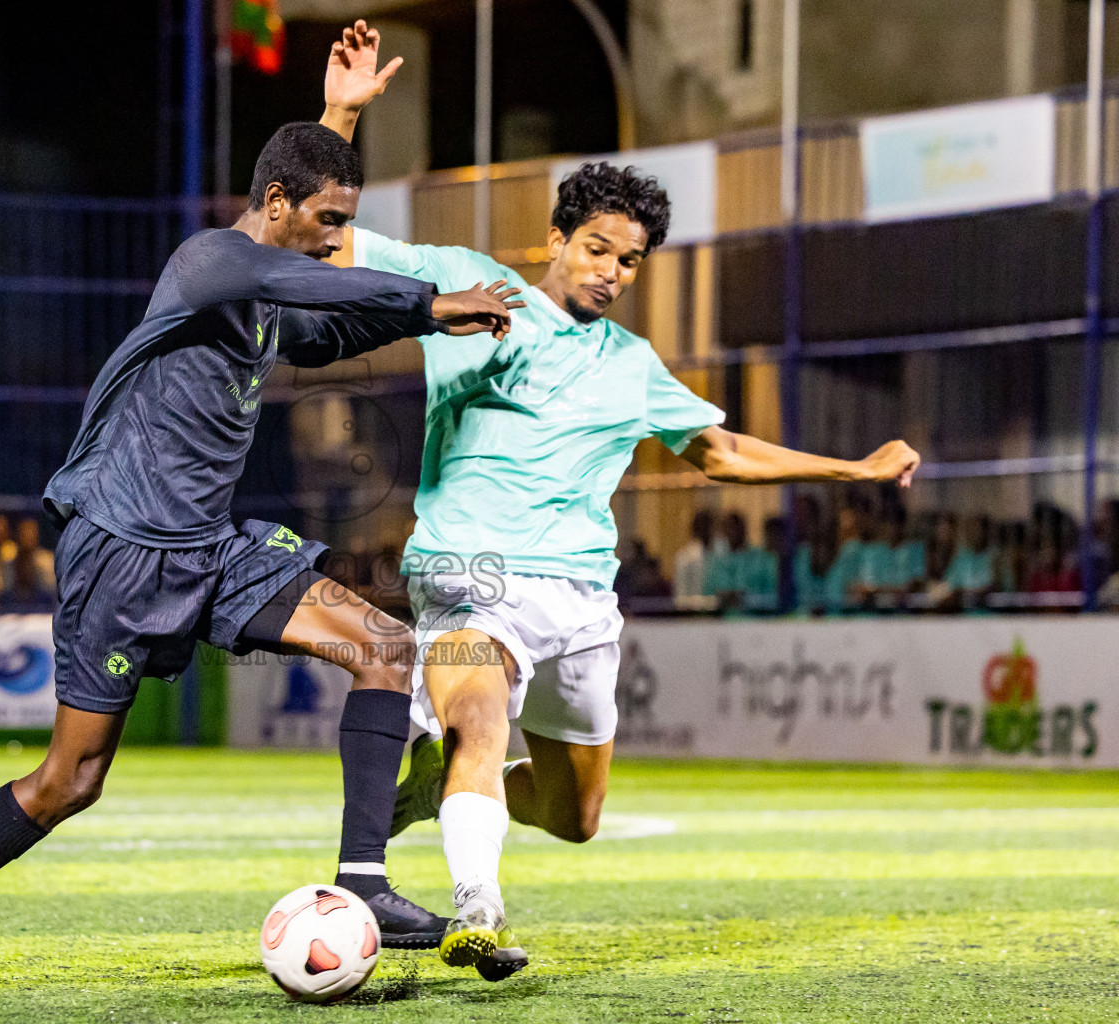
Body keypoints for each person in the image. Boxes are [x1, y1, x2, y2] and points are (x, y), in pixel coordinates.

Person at [0, 88, 521, 984]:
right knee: (69, 781)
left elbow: (331, 317)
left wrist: (347, 136)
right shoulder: (207, 261)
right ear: (274, 202)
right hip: (121, 551)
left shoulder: (266, 298)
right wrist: (431, 299)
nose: (338, 239)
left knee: (384, 647)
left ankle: (366, 881)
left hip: (210, 548)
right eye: (327, 220)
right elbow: (302, 277)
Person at [321, 24, 921, 980]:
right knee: (479, 718)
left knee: (577, 816)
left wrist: (851, 470)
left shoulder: (632, 364)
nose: (609, 270)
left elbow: (718, 451)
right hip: (470, 576)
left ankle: (442, 786)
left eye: (630, 260)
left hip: (579, 601)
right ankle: (477, 910)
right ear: (557, 239)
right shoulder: (468, 285)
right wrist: (341, 116)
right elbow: (331, 239)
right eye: (596, 247)